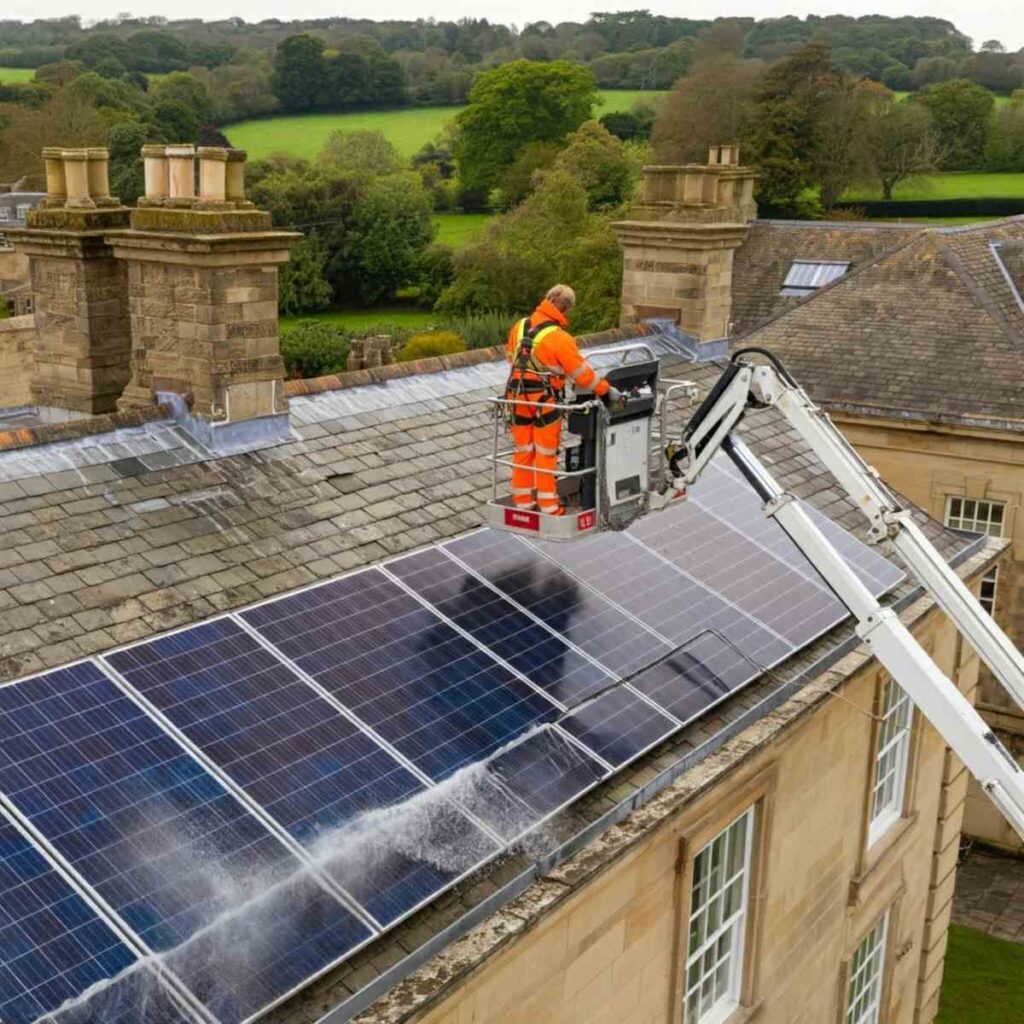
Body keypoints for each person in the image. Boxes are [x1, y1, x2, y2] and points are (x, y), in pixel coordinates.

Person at [505, 284, 622, 516]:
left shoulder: (519, 327)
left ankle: (523, 502)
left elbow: (511, 357)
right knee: (545, 453)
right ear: (566, 309)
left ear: (546, 299)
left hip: (516, 396)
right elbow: (583, 375)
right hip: (545, 400)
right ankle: (549, 506)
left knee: (523, 450)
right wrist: (606, 389)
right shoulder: (559, 338)